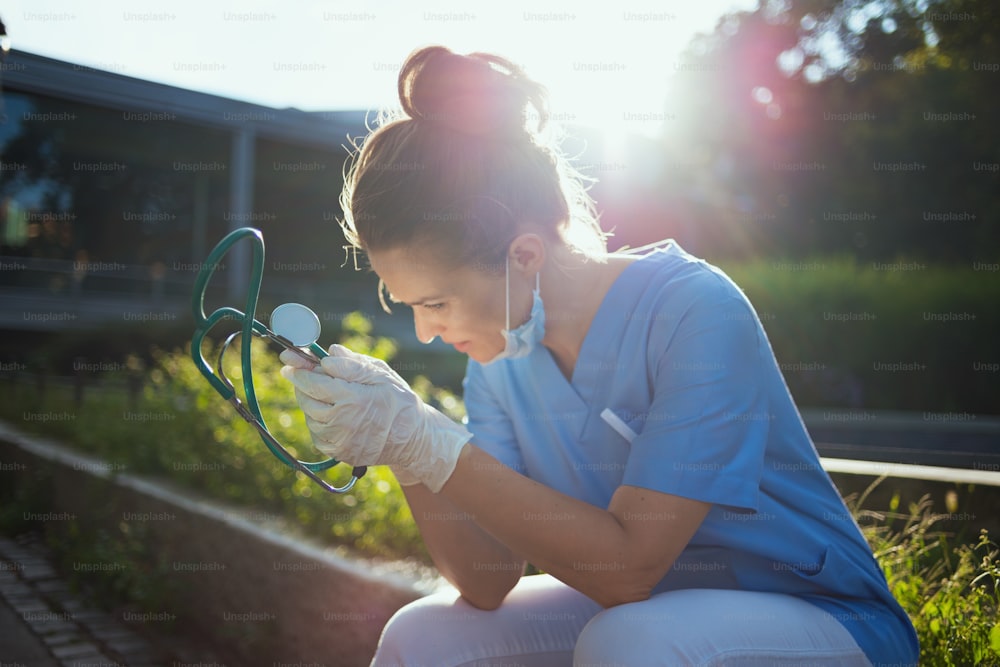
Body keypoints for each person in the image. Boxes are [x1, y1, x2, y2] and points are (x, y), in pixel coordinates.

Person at [280, 45, 919, 667]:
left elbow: (630, 570)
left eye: (437, 302)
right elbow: (487, 580)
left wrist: (430, 443)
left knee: (629, 642)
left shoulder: (695, 311)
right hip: (654, 614)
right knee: (424, 637)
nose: (424, 332)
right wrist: (406, 448)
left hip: (821, 618)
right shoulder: (496, 364)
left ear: (523, 257)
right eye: (408, 305)